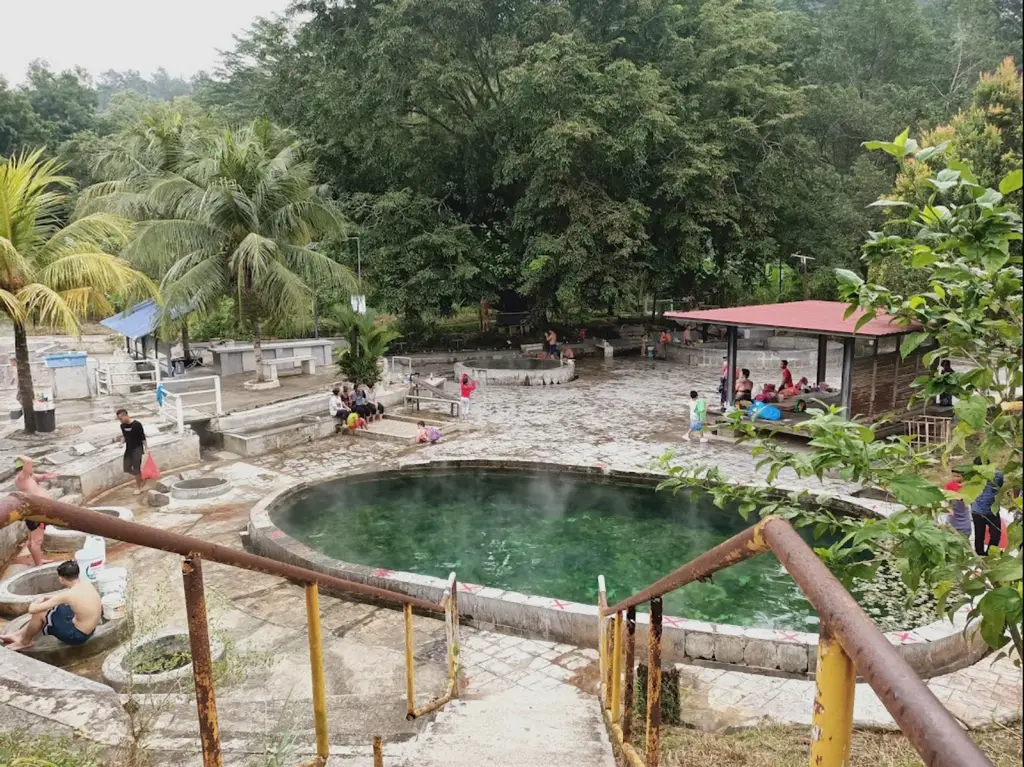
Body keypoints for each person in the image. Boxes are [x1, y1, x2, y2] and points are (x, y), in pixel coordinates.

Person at [1, 560, 101, 651]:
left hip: (77, 636)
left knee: (39, 613)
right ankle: (18, 635)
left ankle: (25, 642)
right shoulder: (85, 584)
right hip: (89, 629)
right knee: (52, 608)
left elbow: (32, 610)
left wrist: (36, 602)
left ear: (61, 579)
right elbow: (69, 598)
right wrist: (50, 598)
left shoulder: (68, 595)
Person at [12, 456, 58, 566]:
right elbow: (28, 460)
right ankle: (39, 564)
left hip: (37, 511)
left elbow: (39, 477)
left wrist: (46, 477)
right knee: (36, 541)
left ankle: (38, 560)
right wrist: (20, 456)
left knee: (32, 540)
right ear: (23, 468)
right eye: (30, 467)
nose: (32, 468)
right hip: (37, 513)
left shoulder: (30, 477)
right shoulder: (22, 477)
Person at [971, 457, 1004, 556]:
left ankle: (988, 555)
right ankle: (980, 556)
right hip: (977, 511)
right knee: (979, 536)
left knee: (996, 535)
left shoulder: (997, 476)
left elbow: (1000, 487)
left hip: (992, 511)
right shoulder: (973, 477)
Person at [116, 409, 147, 495]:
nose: (120, 421)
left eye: (121, 418)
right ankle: (141, 479)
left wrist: (146, 448)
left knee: (136, 468)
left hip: (138, 448)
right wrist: (121, 443)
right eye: (119, 419)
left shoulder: (137, 424)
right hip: (129, 449)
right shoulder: (122, 426)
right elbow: (124, 436)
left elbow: (142, 437)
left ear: (125, 415)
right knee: (127, 468)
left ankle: (139, 487)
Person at [944, 470, 972, 537]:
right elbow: (945, 498)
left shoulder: (968, 486)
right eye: (953, 476)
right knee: (951, 531)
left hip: (964, 512)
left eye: (958, 476)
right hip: (953, 512)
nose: (955, 478)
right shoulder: (949, 485)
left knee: (966, 531)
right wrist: (948, 509)